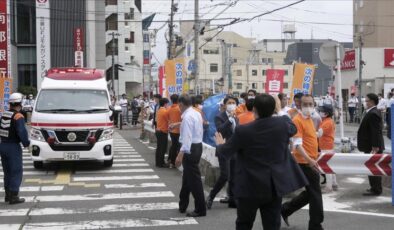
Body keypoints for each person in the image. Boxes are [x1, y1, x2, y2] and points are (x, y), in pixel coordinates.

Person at [214, 94, 308, 230]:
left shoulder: (243, 130)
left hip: (249, 186)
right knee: (272, 225)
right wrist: (278, 111)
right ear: (274, 109)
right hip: (273, 186)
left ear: (254, 109)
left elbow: (225, 152)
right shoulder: (283, 124)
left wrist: (220, 144)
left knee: (244, 224)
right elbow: (292, 128)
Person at [281, 94, 324, 230]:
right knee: (316, 194)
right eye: (305, 104)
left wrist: (317, 135)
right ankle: (315, 225)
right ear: (299, 105)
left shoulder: (310, 119)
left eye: (310, 104)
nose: (308, 107)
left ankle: (285, 209)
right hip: (304, 162)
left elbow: (308, 137)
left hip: (310, 160)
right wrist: (310, 160)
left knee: (311, 193)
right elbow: (297, 145)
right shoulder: (297, 120)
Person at [175, 94, 206, 217]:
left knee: (194, 181)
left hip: (190, 149)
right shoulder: (195, 113)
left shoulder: (187, 117)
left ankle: (200, 209)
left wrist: (180, 154)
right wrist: (178, 124)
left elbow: (187, 138)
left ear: (181, 104)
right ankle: (183, 204)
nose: (178, 107)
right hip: (197, 146)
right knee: (187, 178)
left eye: (179, 105)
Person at [206, 96, 239, 209]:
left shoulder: (237, 118)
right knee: (225, 175)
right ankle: (211, 195)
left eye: (234, 102)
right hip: (224, 150)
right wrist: (229, 120)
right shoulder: (219, 117)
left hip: (234, 150)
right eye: (229, 102)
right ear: (224, 105)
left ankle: (232, 199)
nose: (231, 104)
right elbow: (220, 130)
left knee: (234, 176)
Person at [0, 93, 30, 204]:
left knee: (7, 171)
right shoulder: (18, 116)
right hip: (13, 146)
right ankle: (13, 196)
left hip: (3, 144)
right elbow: (21, 132)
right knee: (16, 171)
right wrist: (26, 143)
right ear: (20, 103)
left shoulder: (4, 114)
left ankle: (7, 195)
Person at [357, 93, 385, 196]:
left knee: (374, 167)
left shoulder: (373, 113)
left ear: (372, 101)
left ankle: (376, 189)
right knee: (371, 167)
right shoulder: (371, 112)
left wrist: (375, 147)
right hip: (370, 145)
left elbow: (375, 132)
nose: (365, 102)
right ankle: (374, 187)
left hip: (373, 146)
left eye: (366, 100)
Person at [318, 105, 338, 192]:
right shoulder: (329, 121)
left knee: (326, 167)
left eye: (321, 111)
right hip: (328, 146)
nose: (320, 112)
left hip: (326, 147)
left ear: (326, 113)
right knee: (331, 166)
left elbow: (319, 134)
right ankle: (334, 184)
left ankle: (329, 187)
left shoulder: (326, 123)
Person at [167, 94, 182, 168]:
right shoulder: (179, 109)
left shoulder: (169, 109)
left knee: (173, 146)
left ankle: (171, 161)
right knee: (177, 147)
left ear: (171, 100)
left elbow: (168, 118)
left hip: (172, 130)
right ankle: (174, 162)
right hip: (179, 130)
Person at [155, 98, 170, 168]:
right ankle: (161, 163)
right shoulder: (165, 111)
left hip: (158, 130)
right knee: (162, 148)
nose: (168, 105)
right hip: (163, 131)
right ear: (165, 104)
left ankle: (158, 162)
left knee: (159, 148)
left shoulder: (159, 110)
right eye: (167, 103)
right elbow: (169, 120)